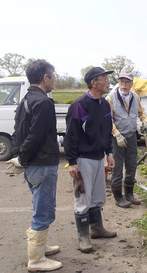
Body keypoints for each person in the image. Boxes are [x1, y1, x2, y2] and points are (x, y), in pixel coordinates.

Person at [11, 59, 62, 271]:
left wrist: (18, 155)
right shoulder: (44, 103)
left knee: (40, 205)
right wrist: (22, 158)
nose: (53, 80)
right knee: (44, 210)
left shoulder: (26, 100)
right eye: (53, 76)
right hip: (42, 164)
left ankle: (41, 248)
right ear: (45, 78)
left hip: (32, 165)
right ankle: (36, 260)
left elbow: (17, 131)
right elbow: (36, 136)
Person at [64, 67, 117, 253]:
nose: (108, 82)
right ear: (94, 82)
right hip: (83, 157)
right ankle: (83, 236)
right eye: (104, 78)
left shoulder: (104, 105)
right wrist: (72, 162)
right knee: (83, 198)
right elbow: (70, 135)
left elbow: (108, 130)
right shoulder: (80, 105)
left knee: (98, 197)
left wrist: (109, 153)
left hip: (98, 157)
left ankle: (97, 229)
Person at [105, 70, 147, 208]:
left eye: (127, 81)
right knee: (117, 168)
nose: (124, 84)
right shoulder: (110, 98)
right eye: (121, 81)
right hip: (116, 138)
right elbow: (108, 119)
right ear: (118, 82)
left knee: (132, 165)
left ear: (131, 83)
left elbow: (141, 112)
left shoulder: (135, 97)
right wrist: (116, 134)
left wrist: (145, 121)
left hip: (131, 136)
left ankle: (129, 193)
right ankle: (118, 196)